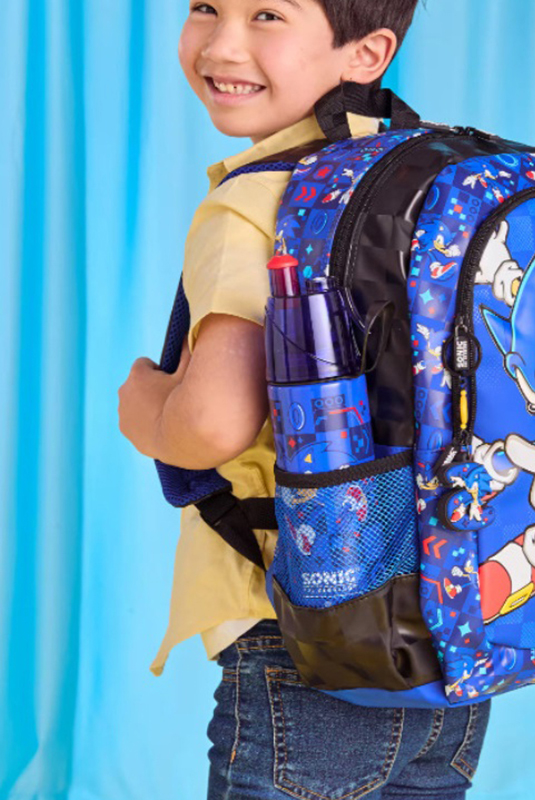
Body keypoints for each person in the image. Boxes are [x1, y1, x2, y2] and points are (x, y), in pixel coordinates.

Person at [116, 1, 492, 797]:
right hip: (454, 631)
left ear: (368, 53)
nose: (223, 44)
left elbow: (211, 425)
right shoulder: (434, 180)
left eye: (266, 15)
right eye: (206, 7)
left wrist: (142, 403)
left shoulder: (257, 203)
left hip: (306, 635)